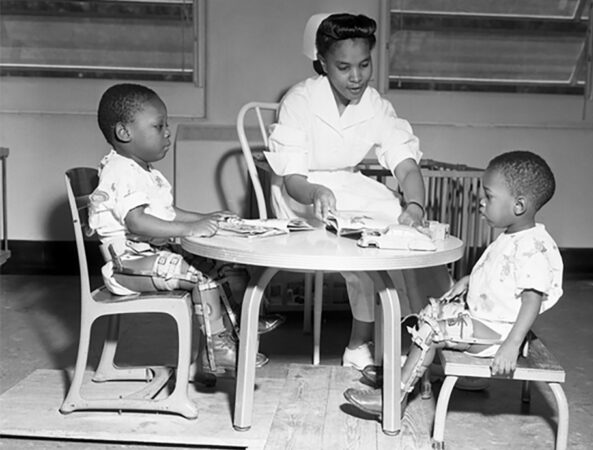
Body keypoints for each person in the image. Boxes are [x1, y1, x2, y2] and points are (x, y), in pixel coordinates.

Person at [266, 13, 451, 370]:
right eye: (344, 67)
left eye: (364, 65)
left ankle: (429, 339)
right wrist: (315, 190)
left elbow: (407, 164)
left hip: (351, 186)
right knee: (366, 248)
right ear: (322, 62)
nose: (356, 77)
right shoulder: (300, 101)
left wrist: (414, 205)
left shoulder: (375, 105)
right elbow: (292, 179)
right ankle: (365, 342)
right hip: (302, 192)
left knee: (407, 236)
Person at [343, 150, 564, 416]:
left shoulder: (533, 246)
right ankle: (413, 370)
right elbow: (505, 275)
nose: (481, 202)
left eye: (489, 196)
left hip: (498, 334)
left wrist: (512, 344)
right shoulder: (514, 236)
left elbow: (532, 299)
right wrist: (470, 280)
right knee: (431, 311)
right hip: (484, 320)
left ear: (519, 205)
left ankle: (393, 398)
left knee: (432, 330)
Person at [89, 83, 280, 376]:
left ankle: (242, 323)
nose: (168, 131)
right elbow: (136, 222)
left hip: (150, 255)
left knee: (225, 266)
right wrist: (190, 228)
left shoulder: (144, 171)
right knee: (198, 275)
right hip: (127, 266)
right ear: (124, 133)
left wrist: (207, 218)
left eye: (167, 124)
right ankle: (217, 350)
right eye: (158, 125)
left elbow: (168, 212)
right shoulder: (119, 170)